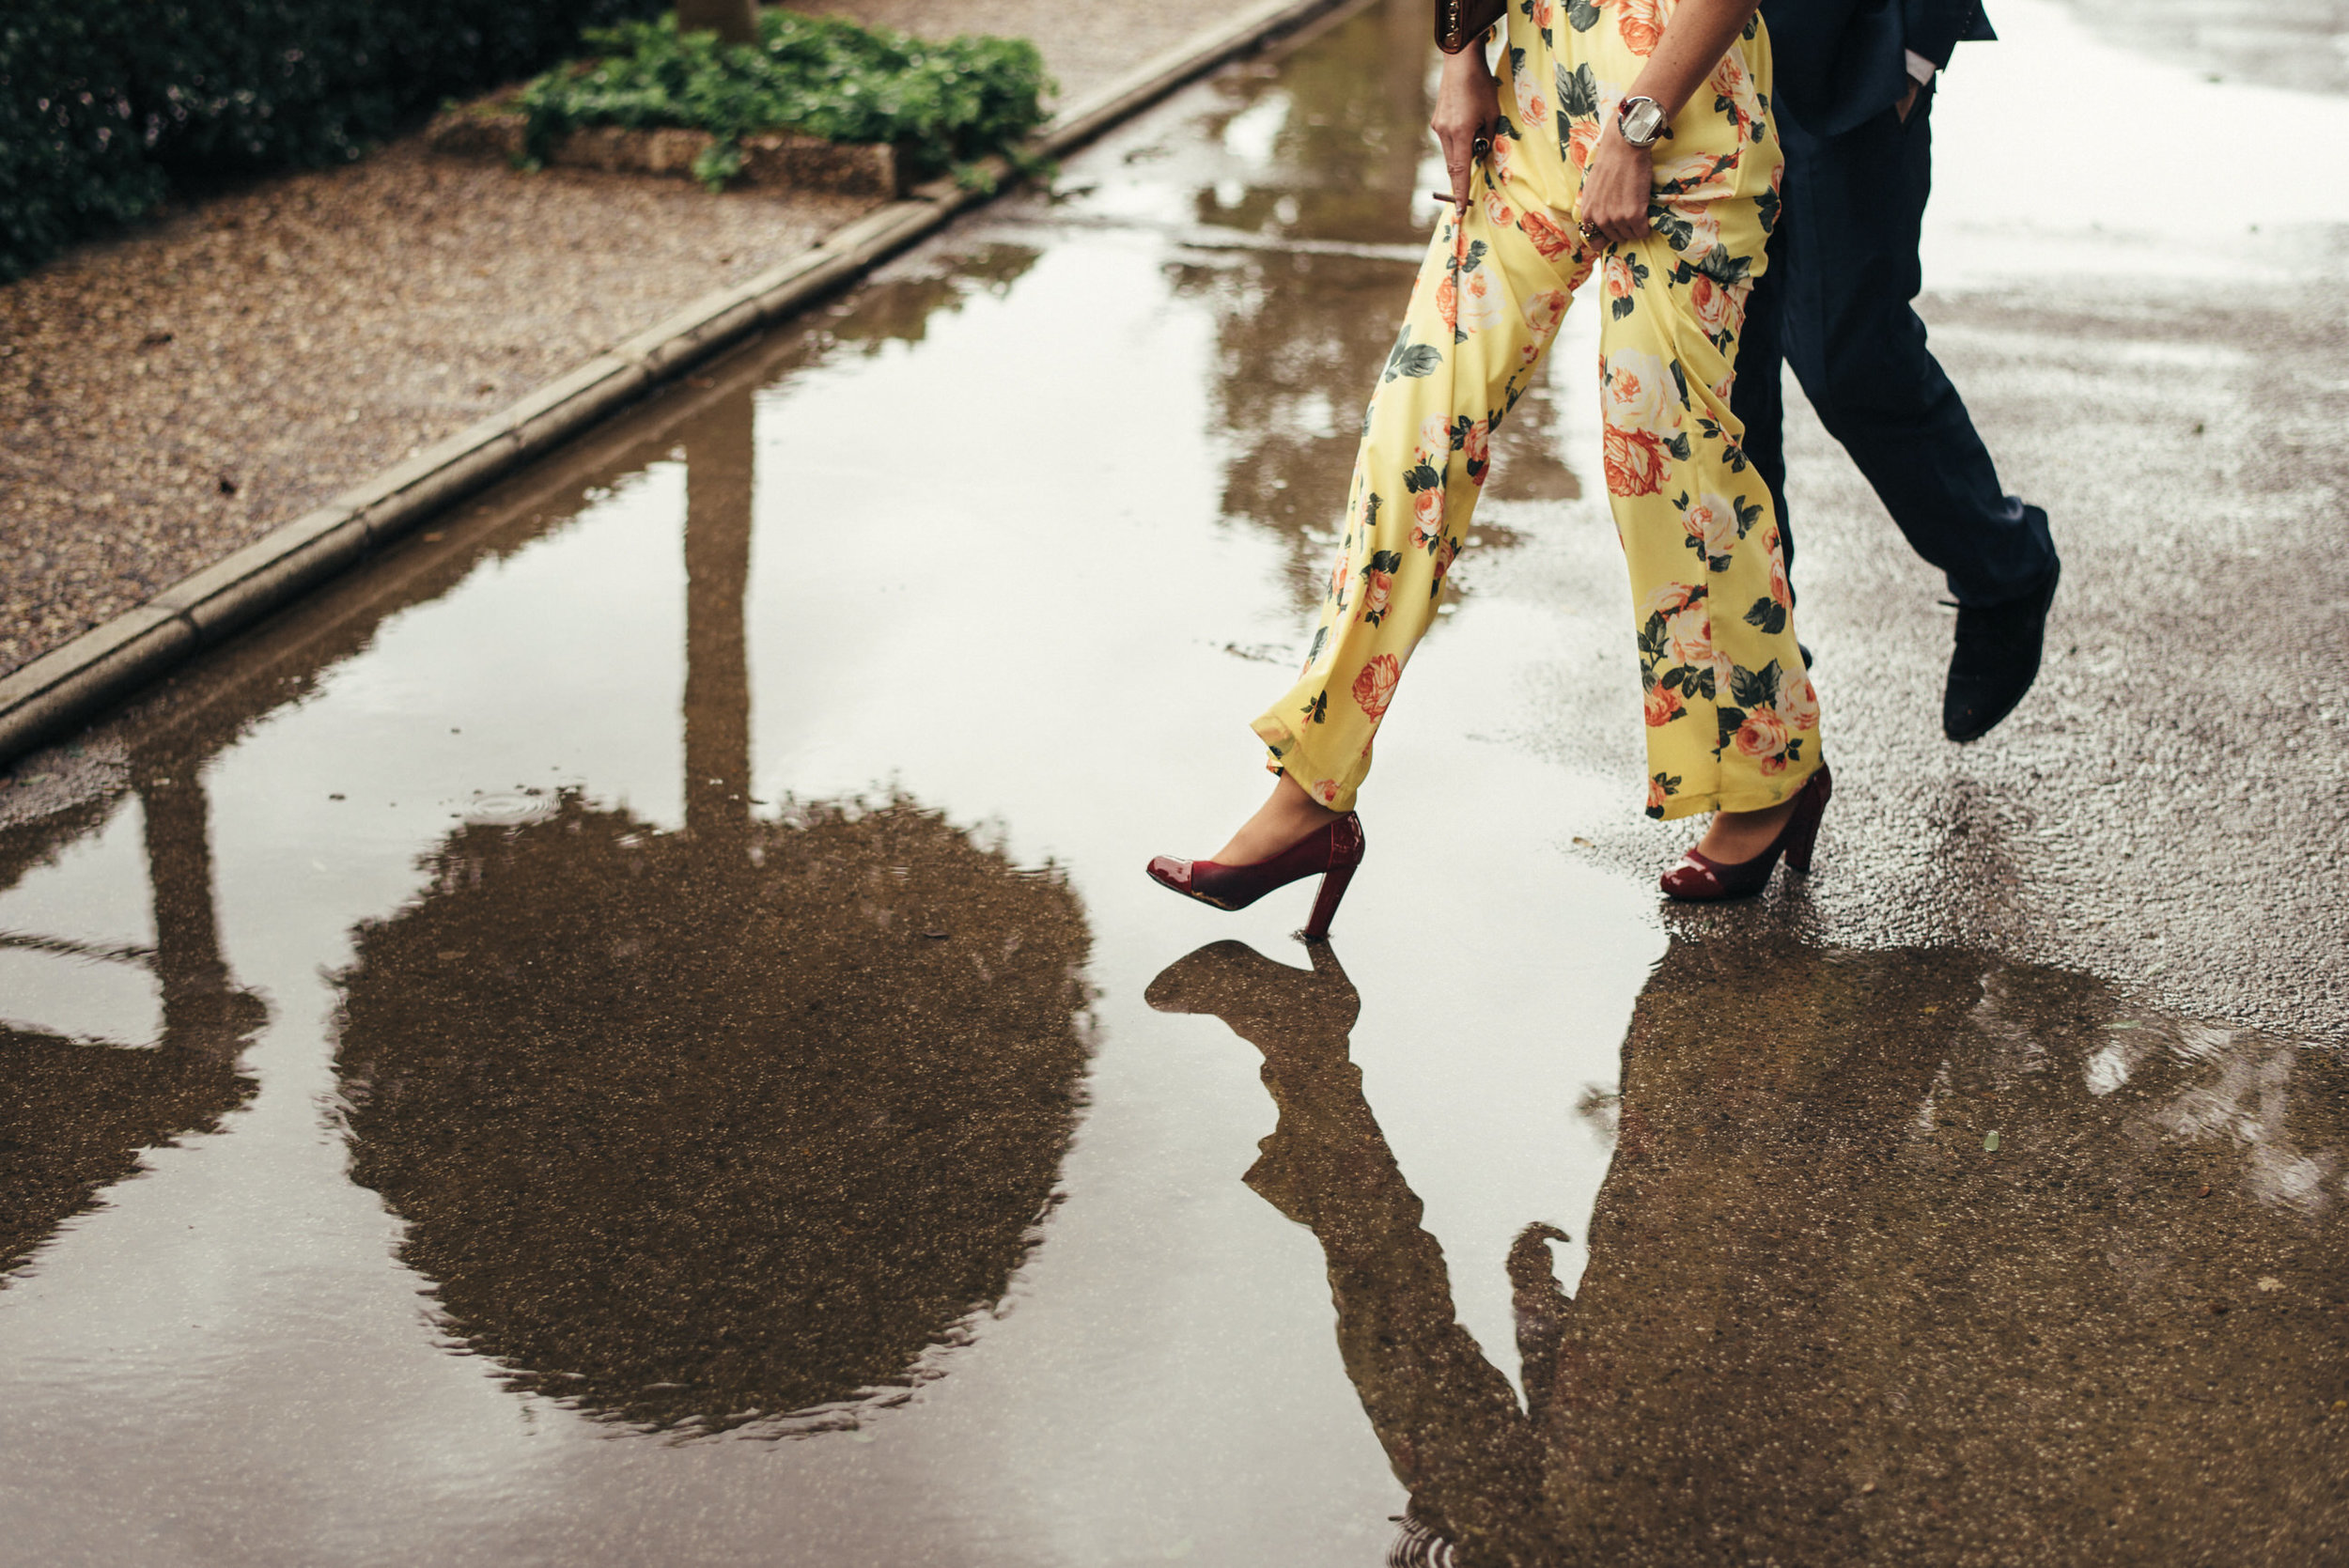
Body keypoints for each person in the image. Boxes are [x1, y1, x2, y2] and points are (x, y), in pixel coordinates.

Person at [1149, 0, 1827, 926]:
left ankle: (1768, 767)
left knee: (1663, 466)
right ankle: (1309, 792)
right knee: (1411, 436)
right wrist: (1460, 58)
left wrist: (1637, 123)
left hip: (1684, 123)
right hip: (1532, 113)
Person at [1735, 0, 2060, 742]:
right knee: (1725, 383)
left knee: (1849, 357)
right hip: (1686, 69)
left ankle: (2004, 566)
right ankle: (1762, 676)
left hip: (1853, 57)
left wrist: (1918, 49)